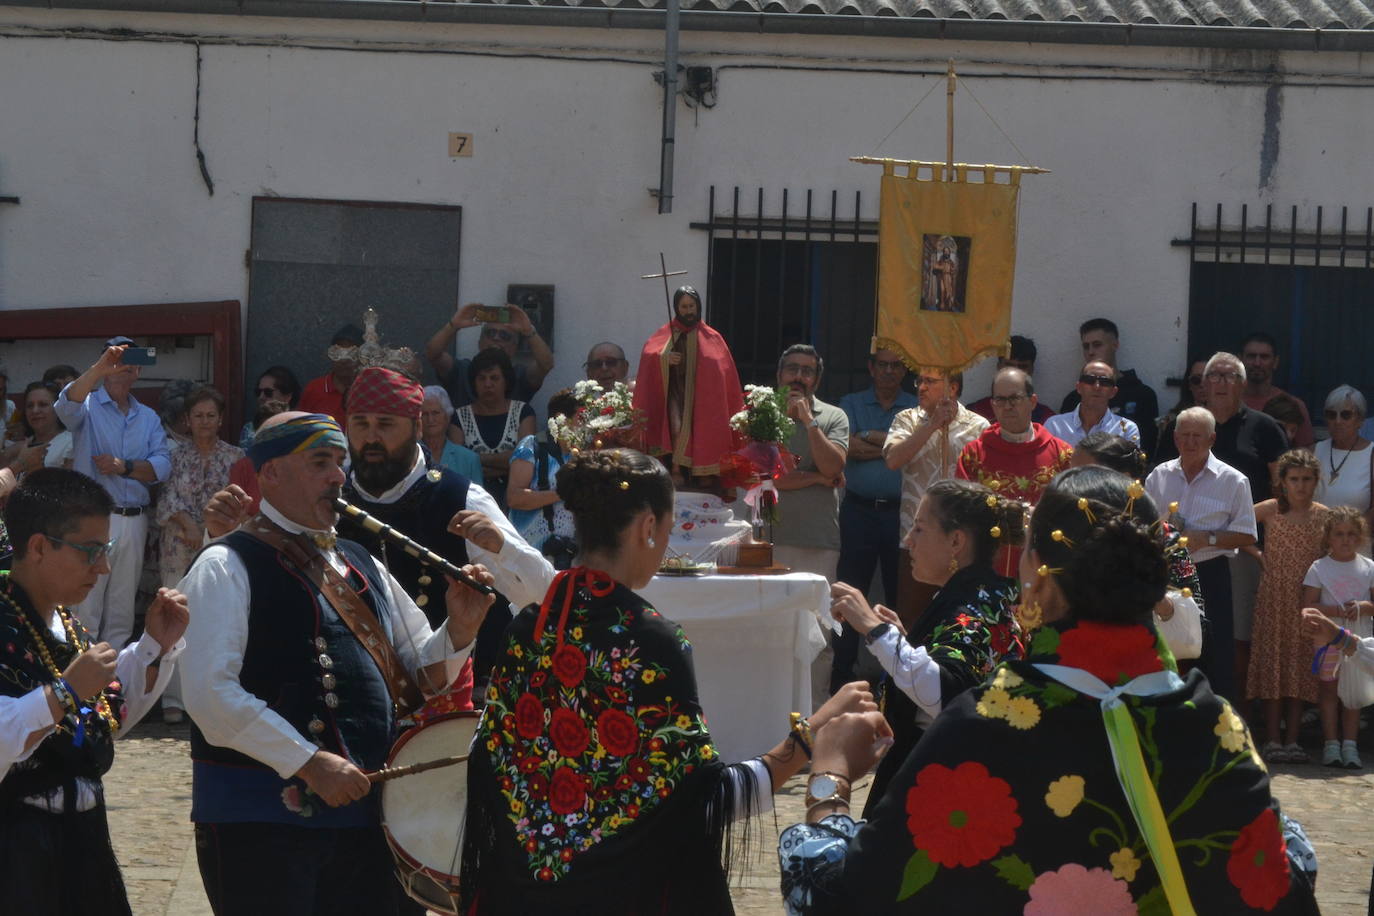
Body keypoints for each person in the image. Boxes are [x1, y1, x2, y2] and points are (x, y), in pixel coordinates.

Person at [778, 467, 1318, 915]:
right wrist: (1277, 823)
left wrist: (831, 779)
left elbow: (845, 894)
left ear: (1039, 576)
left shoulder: (989, 725)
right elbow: (1283, 883)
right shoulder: (1211, 724)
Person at [459, 448, 876, 914]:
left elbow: (494, 774)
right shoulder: (648, 639)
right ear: (648, 527)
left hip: (519, 894)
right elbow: (707, 797)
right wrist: (813, 733)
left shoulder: (529, 628)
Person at [177, 411, 497, 916]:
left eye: (339, 463)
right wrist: (308, 761)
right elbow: (208, 695)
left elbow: (416, 679)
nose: (338, 476)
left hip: (370, 821)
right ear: (271, 475)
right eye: (320, 462)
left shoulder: (360, 560)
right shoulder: (225, 564)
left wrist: (459, 628)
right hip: (263, 825)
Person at [0, 468, 187, 916]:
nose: (102, 567)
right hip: (14, 850)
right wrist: (63, 695)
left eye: (105, 550)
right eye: (89, 552)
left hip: (82, 843)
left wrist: (153, 647)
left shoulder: (67, 625)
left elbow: (104, 719)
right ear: (40, 546)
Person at [829, 479, 1024, 808]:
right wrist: (904, 643)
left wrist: (876, 631)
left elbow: (944, 693)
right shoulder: (979, 595)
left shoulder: (972, 608)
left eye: (919, 529)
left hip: (943, 784)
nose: (908, 541)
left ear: (956, 541)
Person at [54, 338, 171, 650]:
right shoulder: (87, 406)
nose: (124, 366)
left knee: (121, 611)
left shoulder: (147, 417)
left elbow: (162, 466)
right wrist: (100, 368)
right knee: (86, 604)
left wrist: (124, 466)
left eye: (130, 360)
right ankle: (83, 684)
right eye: (116, 359)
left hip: (134, 519)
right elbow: (65, 406)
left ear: (137, 370)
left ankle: (113, 691)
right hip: (95, 518)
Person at [1145, 406, 1258, 701]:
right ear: (1175, 438)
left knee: (1216, 652)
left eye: (1198, 436)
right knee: (1164, 650)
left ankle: (1218, 726)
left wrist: (1205, 538)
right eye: (1185, 436)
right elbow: (1143, 525)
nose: (1191, 442)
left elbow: (1248, 533)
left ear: (1212, 439)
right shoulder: (1158, 476)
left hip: (1209, 573)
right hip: (1166, 575)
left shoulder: (1234, 480)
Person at [154, 387, 243, 723]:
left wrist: (209, 530)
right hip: (178, 545)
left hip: (220, 546)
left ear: (220, 420)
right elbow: (167, 501)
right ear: (187, 421)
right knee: (173, 617)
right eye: (197, 416)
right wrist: (190, 526)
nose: (204, 421)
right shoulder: (174, 457)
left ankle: (209, 697)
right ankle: (173, 699)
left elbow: (240, 502)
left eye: (210, 415)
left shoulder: (236, 457)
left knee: (215, 618)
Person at [831, 349, 918, 692]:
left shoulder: (914, 406)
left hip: (901, 515)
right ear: (871, 368)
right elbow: (846, 448)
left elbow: (911, 450)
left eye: (896, 365)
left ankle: (896, 677)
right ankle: (841, 673)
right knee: (852, 592)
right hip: (858, 511)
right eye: (882, 364)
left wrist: (869, 438)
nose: (888, 371)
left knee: (899, 596)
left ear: (903, 370)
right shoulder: (850, 402)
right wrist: (892, 448)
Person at [882, 369, 987, 625]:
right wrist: (931, 425)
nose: (921, 387)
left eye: (930, 381)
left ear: (952, 387)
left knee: (963, 617)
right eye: (920, 381)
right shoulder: (906, 418)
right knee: (912, 618)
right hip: (916, 539)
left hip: (961, 542)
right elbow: (893, 459)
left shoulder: (979, 425)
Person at [1248, 450, 1326, 763]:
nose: (1300, 486)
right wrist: (1257, 554)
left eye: (1307, 479)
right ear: (1282, 481)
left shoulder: (1323, 514)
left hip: (1306, 599)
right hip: (1273, 597)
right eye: (1294, 479)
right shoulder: (1270, 509)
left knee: (1298, 669)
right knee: (1273, 667)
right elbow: (1238, 527)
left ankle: (1293, 740)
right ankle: (1272, 739)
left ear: (1316, 482)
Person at [956, 367, 1072, 576]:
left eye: (1015, 398)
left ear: (1033, 401)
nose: (1007, 407)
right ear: (992, 405)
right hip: (990, 567)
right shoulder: (972, 455)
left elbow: (1071, 513)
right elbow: (962, 513)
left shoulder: (1062, 455)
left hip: (1044, 569)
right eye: (1000, 400)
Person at [632, 286, 745, 483]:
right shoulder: (665, 333)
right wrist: (665, 358)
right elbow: (650, 356)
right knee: (675, 429)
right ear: (677, 307)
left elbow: (720, 367)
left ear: (698, 306)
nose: (688, 310)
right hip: (675, 393)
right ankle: (676, 469)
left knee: (703, 431)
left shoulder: (712, 337)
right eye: (684, 306)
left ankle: (702, 472)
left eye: (691, 305)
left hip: (701, 397)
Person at [1302, 506, 1374, 769]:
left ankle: (1350, 746)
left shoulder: (1369, 568)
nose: (1346, 540)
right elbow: (1308, 606)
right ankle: (1331, 744)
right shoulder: (1319, 568)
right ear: (1328, 537)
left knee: (1353, 693)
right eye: (1339, 534)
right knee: (1329, 690)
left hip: (1359, 641)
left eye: (1351, 534)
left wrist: (1362, 607)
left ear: (1360, 537)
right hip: (1326, 641)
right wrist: (1335, 611)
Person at [771, 345, 849, 582]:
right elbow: (772, 476)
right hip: (767, 538)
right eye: (792, 369)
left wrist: (808, 420)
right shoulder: (760, 413)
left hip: (817, 540)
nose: (798, 377)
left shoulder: (834, 416)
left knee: (815, 617)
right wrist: (817, 478)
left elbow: (833, 468)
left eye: (807, 371)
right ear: (779, 374)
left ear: (816, 380)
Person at [1058, 318, 1160, 456]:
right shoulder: (1073, 399)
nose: (1091, 352)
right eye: (1086, 346)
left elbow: (1147, 448)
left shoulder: (1142, 395)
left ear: (1115, 345)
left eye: (1097, 345)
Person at [424, 302, 553, 409]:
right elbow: (433, 354)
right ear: (479, 342)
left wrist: (528, 331)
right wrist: (453, 326)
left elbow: (546, 364)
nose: (496, 338)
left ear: (514, 347)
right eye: (490, 333)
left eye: (504, 336)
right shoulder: (462, 370)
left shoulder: (519, 376)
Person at [452, 348, 536, 512]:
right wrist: (507, 462)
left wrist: (475, 460)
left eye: (494, 378)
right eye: (481, 378)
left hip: (515, 503)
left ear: (506, 381)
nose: (487, 384)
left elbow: (526, 461)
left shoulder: (523, 413)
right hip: (472, 502)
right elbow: (459, 465)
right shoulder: (459, 417)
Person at [507, 388, 580, 570]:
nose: (587, 423)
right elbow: (514, 497)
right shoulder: (531, 445)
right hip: (532, 552)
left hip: (574, 552)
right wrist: (562, 493)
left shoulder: (584, 450)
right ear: (561, 417)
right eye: (582, 417)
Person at [1315, 385, 1373, 536]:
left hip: (1355, 544)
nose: (1338, 421)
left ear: (1360, 420)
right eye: (1331, 415)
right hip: (1316, 542)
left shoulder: (1371, 455)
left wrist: (1344, 538)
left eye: (1346, 415)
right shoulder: (1313, 452)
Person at [1044, 361, 1141, 447]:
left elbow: (1129, 467)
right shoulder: (1054, 426)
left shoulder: (1126, 429)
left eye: (1105, 382)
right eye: (1089, 380)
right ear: (1078, 387)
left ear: (1113, 392)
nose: (1097, 387)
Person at [1242, 332, 1314, 448]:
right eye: (1251, 356)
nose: (1257, 363)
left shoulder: (1294, 405)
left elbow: (1305, 455)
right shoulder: (1228, 403)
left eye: (1264, 357)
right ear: (1241, 360)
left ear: (1275, 362)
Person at [967, 335, 1054, 425]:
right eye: (1009, 365)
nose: (1015, 372)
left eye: (1022, 366)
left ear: (1032, 370)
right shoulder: (974, 413)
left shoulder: (1047, 420)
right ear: (998, 366)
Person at [298, 324, 363, 425]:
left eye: (351, 353)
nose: (343, 360)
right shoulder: (314, 389)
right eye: (338, 353)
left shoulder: (369, 392)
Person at [420, 385, 483, 483]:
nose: (430, 419)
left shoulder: (469, 459)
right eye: (424, 414)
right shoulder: (409, 455)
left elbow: (477, 497)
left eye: (435, 413)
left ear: (447, 416)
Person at [239, 366, 301, 448]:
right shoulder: (249, 429)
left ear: (287, 397)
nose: (261, 397)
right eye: (258, 392)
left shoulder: (301, 429)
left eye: (268, 392)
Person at [19, 382, 73, 470]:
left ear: (58, 408)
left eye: (43, 404)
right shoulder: (21, 446)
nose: (35, 411)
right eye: (30, 406)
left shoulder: (70, 444)